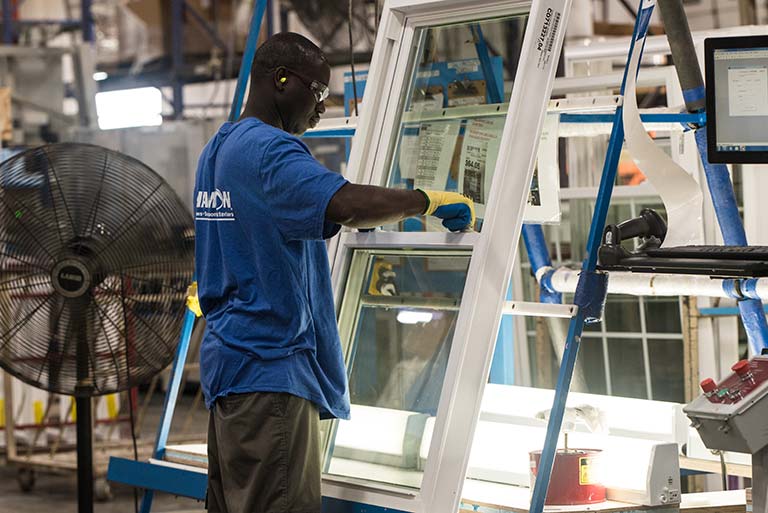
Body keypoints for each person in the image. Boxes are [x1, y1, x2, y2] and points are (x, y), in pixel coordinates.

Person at [194, 32, 475, 513]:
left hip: (228, 370)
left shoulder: (217, 151)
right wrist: (427, 200)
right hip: (270, 375)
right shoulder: (270, 151)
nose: (322, 108)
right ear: (282, 81)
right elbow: (345, 204)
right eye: (319, 92)